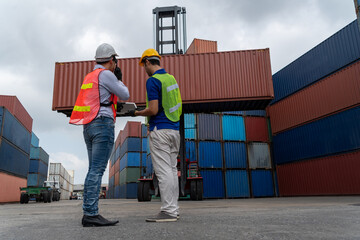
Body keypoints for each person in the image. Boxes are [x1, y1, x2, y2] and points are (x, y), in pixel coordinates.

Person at [69, 43, 129, 227]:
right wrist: (118, 80)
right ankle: (91, 214)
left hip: (88, 125)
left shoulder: (90, 76)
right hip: (102, 124)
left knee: (92, 169)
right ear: (112, 60)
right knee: (97, 170)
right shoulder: (106, 74)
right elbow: (124, 94)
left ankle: (89, 212)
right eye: (115, 61)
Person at [133, 48, 182, 222]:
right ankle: (173, 209)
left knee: (163, 172)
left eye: (143, 65)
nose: (144, 69)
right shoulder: (171, 79)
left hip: (160, 131)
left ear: (147, 62)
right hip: (174, 131)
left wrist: (137, 113)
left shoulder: (153, 81)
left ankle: (168, 211)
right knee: (171, 170)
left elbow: (153, 109)